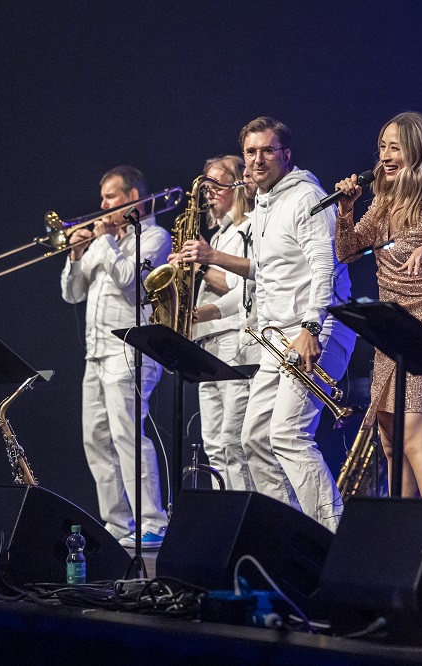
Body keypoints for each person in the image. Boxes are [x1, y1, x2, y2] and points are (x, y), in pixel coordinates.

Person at [181, 117, 356, 530]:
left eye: (267, 151)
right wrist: (214, 258)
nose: (258, 160)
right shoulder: (264, 203)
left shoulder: (306, 197)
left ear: (286, 155)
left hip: (314, 330)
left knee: (288, 436)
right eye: (251, 152)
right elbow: (269, 268)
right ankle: (288, 534)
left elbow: (324, 268)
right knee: (254, 438)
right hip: (277, 340)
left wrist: (311, 329)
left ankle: (332, 535)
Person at [333, 111, 422, 499]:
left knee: (415, 439)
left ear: (418, 153)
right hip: (392, 334)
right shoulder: (383, 204)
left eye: (395, 148)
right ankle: (404, 535)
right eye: (383, 148)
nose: (386, 156)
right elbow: (347, 251)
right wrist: (345, 210)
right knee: (391, 444)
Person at [61, 166, 172, 549]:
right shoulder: (102, 241)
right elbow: (72, 293)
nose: (103, 205)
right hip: (95, 354)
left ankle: (153, 520)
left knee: (128, 436)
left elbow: (131, 284)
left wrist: (104, 242)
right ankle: (118, 523)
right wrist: (76, 255)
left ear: (132, 196)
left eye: (110, 197)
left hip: (128, 351)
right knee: (95, 440)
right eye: (103, 197)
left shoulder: (156, 236)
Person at [173, 155, 255, 490]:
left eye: (216, 185)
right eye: (205, 187)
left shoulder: (248, 227)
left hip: (232, 340)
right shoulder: (219, 234)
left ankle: (247, 521)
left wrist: (203, 267)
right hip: (206, 341)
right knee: (214, 444)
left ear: (238, 186)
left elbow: (244, 288)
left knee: (233, 442)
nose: (209, 193)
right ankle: (227, 516)